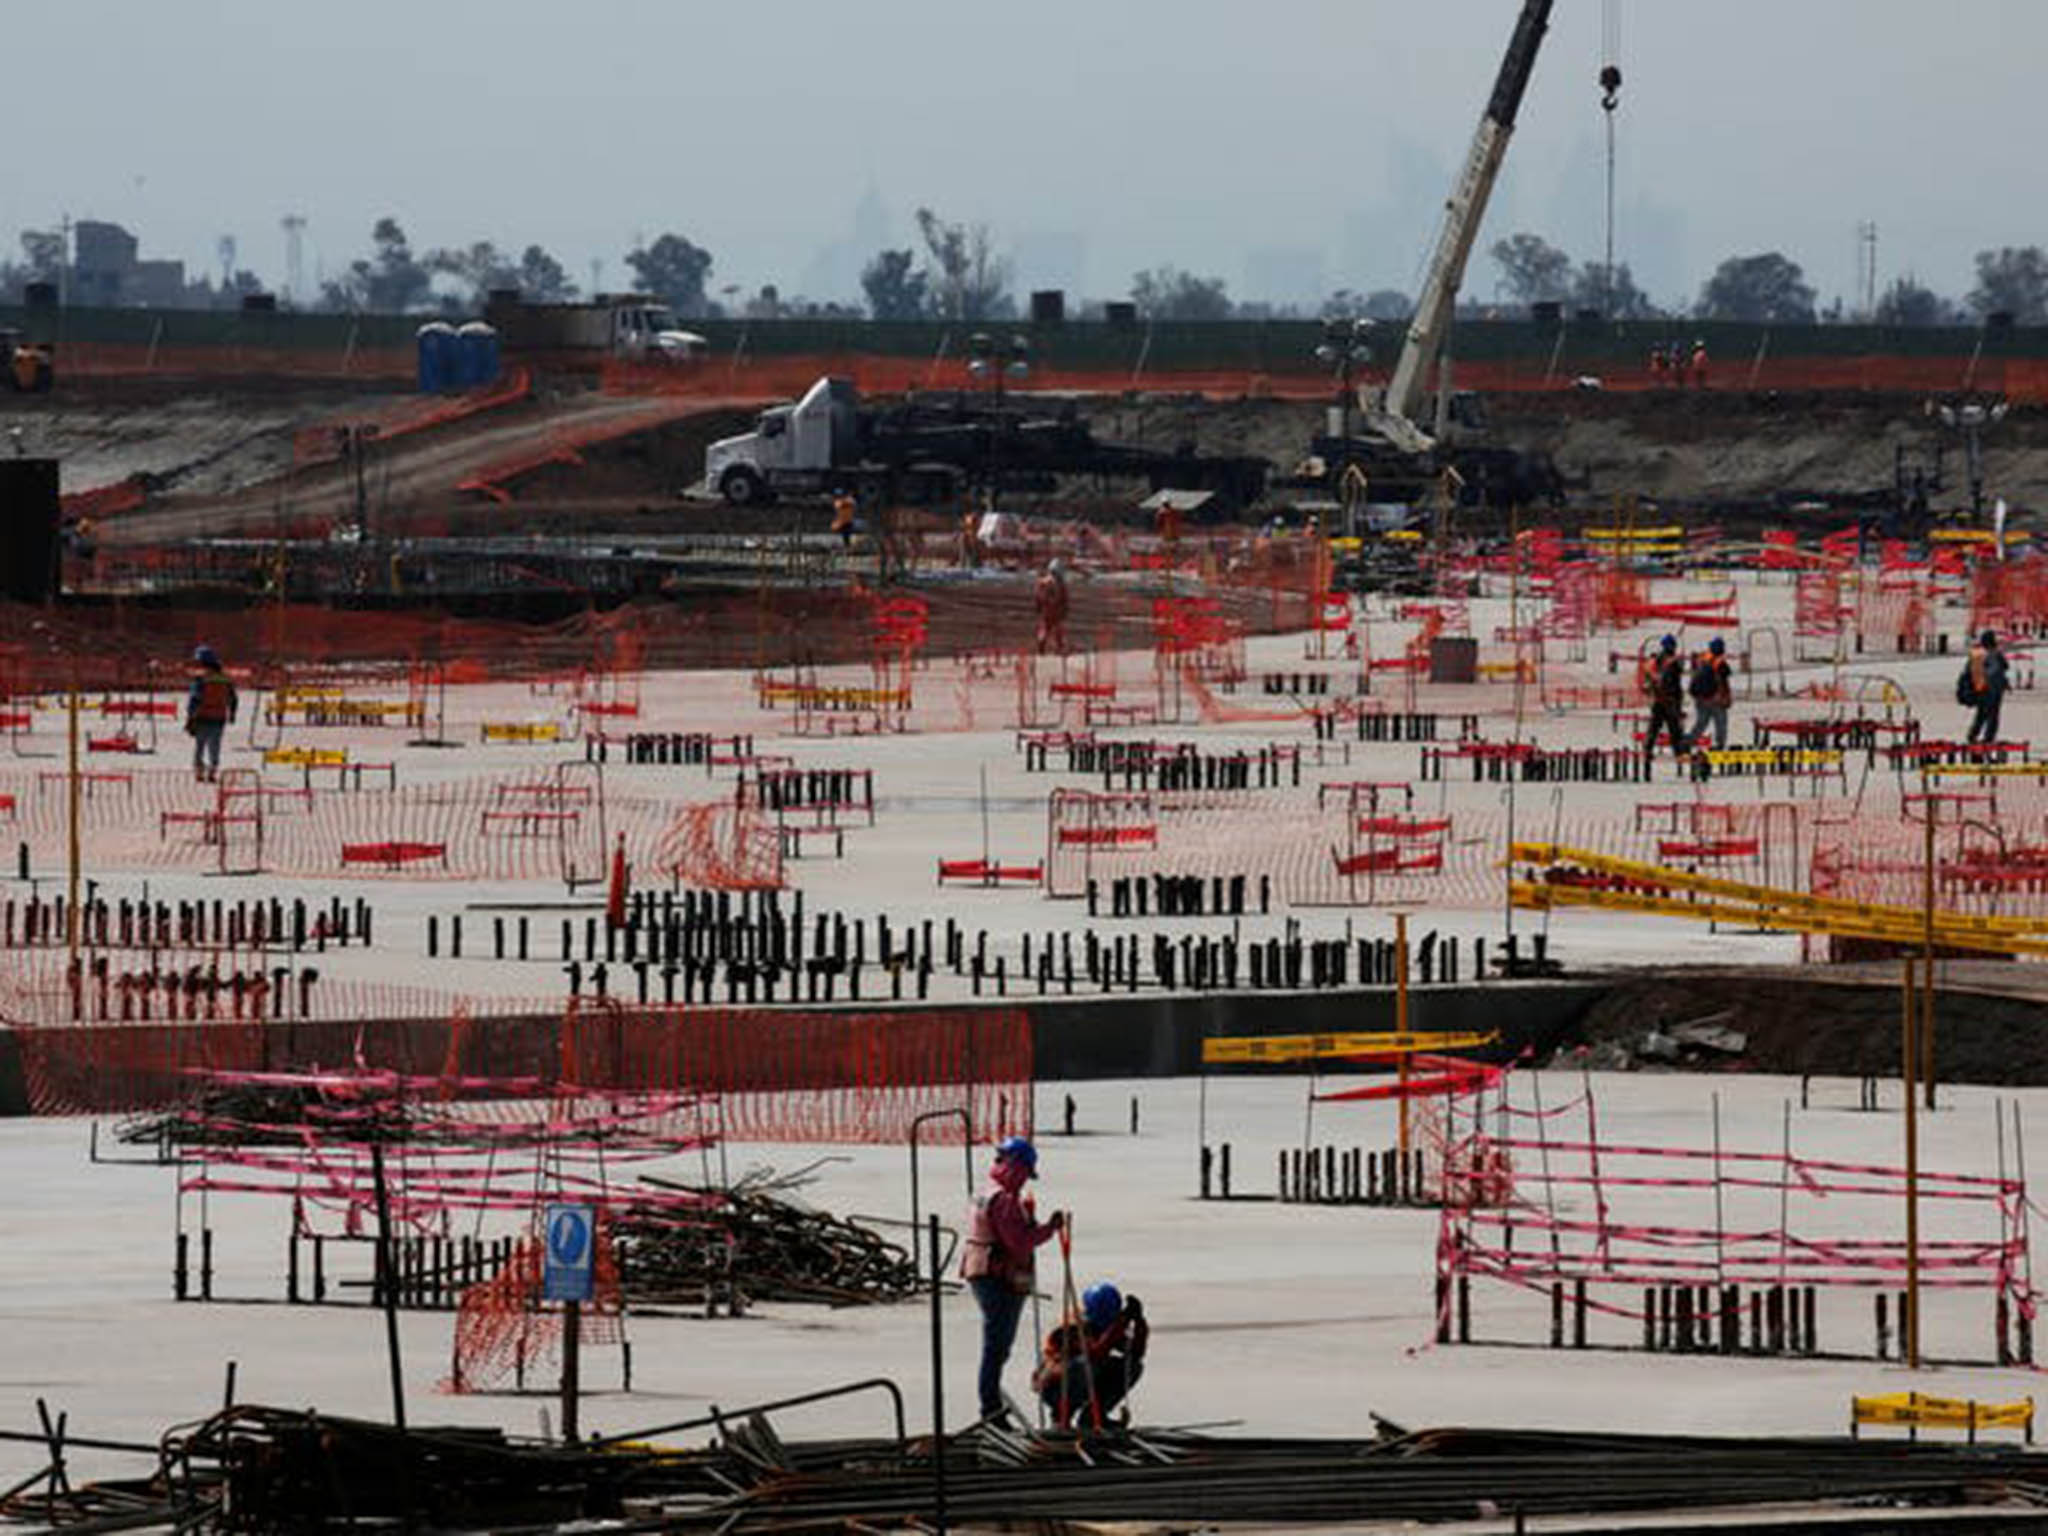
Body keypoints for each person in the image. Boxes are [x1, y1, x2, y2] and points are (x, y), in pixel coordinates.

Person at [961, 1136, 1065, 1422]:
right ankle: (991, 1408)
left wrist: (1026, 1218)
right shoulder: (1004, 1200)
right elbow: (1018, 1242)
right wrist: (1047, 1229)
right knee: (996, 1346)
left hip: (982, 1270)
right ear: (1016, 1166)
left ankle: (991, 1402)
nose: (1024, 1181)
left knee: (996, 1346)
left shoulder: (988, 1191)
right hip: (996, 1277)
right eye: (1024, 1174)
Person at [1034, 1281, 1148, 1429]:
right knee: (1085, 1365)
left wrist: (1139, 1322)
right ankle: (1061, 1418)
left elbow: (1135, 1352)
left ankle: (1094, 1416)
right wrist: (1120, 1323)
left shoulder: (1108, 1326)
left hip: (1086, 1378)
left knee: (1132, 1366)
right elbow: (1096, 1351)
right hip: (1055, 1386)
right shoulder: (1073, 1328)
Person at [185, 645, 238, 784]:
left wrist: (190, 717)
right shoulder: (225, 679)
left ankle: (199, 772)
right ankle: (212, 771)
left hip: (203, 717)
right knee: (215, 746)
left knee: (200, 745)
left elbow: (195, 699)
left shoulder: (201, 679)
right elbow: (233, 698)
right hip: (219, 717)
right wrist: (232, 713)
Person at [1642, 635, 1687, 761]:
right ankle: (1679, 753)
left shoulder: (1655, 661)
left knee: (1654, 727)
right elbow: (1674, 684)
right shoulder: (1673, 663)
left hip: (1657, 699)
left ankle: (1647, 750)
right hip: (1670, 700)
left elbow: (1648, 680)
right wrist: (1678, 701)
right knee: (1674, 729)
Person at [1687, 637, 1735, 752]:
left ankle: (1688, 742)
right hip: (1715, 699)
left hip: (1700, 699)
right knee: (1720, 724)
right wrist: (1726, 698)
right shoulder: (1720, 663)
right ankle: (1719, 746)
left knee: (1700, 723)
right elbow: (1723, 683)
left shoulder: (1701, 659)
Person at [1963, 629, 2009, 745]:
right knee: (1993, 715)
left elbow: (1968, 671)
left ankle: (1972, 734)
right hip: (1994, 690)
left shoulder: (1977, 654)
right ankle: (1988, 738)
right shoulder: (1995, 654)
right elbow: (2002, 667)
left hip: (1980, 688)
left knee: (1981, 713)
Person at [1035, 559, 1071, 656]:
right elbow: (1064, 598)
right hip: (1056, 610)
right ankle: (1058, 648)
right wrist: (1065, 610)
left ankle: (1042, 649)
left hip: (1046, 610)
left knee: (1045, 629)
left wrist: (1039, 608)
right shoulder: (1060, 583)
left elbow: (1038, 597)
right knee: (1057, 629)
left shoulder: (1042, 582)